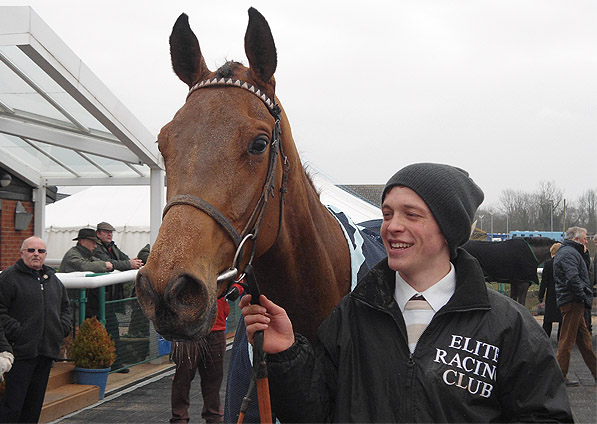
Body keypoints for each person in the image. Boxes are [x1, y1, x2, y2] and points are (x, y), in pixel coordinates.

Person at [241, 163, 573, 423]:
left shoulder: (507, 325)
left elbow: (544, 415)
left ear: (447, 229)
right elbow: (317, 415)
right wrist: (286, 353)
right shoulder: (352, 314)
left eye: (411, 214)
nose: (391, 225)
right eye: (387, 213)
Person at [0, 236, 72, 422]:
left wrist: (61, 327)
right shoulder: (9, 278)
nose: (36, 255)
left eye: (40, 251)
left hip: (45, 353)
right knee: (12, 406)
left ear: (45, 255)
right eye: (31, 250)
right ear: (22, 253)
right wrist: (17, 331)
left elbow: (65, 307)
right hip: (20, 354)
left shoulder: (53, 280)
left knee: (33, 406)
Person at [93, 222, 142, 373]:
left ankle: (114, 362)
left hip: (108, 297)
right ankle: (113, 363)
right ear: (98, 234)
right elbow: (112, 263)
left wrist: (131, 263)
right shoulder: (97, 248)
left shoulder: (112, 247)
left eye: (111, 232)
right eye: (106, 232)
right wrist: (128, 263)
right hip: (99, 297)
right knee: (109, 329)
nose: (109, 234)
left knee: (110, 328)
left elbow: (123, 259)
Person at [171, 297, 230, 423]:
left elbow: (239, 277)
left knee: (214, 377)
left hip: (216, 326)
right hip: (186, 329)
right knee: (183, 376)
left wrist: (236, 288)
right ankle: (179, 418)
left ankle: (214, 417)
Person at [553, 226, 597, 386]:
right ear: (577, 239)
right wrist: (582, 296)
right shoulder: (569, 254)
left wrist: (585, 254)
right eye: (585, 238)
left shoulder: (569, 253)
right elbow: (573, 278)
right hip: (573, 302)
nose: (587, 241)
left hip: (572, 300)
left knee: (584, 342)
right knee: (567, 340)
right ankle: (559, 377)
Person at [538, 242, 562, 339]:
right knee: (562, 320)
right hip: (562, 294)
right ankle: (560, 338)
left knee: (548, 320)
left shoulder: (548, 264)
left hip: (551, 295)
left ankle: (545, 338)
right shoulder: (563, 263)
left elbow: (544, 282)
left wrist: (541, 295)